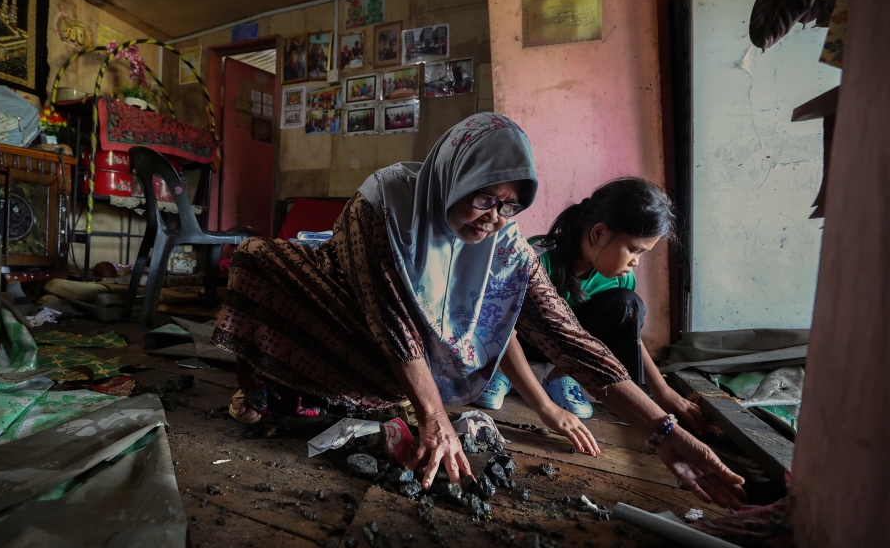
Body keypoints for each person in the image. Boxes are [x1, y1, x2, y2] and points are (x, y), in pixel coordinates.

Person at [214, 113, 744, 508]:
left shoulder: (507, 248)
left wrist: (665, 433)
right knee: (257, 261)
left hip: (404, 360)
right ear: (455, 176)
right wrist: (436, 421)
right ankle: (257, 391)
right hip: (349, 312)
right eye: (485, 198)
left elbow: (568, 337)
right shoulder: (386, 202)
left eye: (512, 205)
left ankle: (381, 399)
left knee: (416, 380)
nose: (496, 218)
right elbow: (391, 318)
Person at [475, 178, 705, 431]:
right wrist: (545, 407)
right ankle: (504, 373)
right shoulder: (537, 259)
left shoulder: (621, 278)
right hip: (511, 342)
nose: (636, 262)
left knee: (627, 305)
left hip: (567, 352)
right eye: (633, 250)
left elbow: (630, 336)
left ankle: (560, 378)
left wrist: (661, 391)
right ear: (599, 233)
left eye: (642, 254)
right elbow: (500, 331)